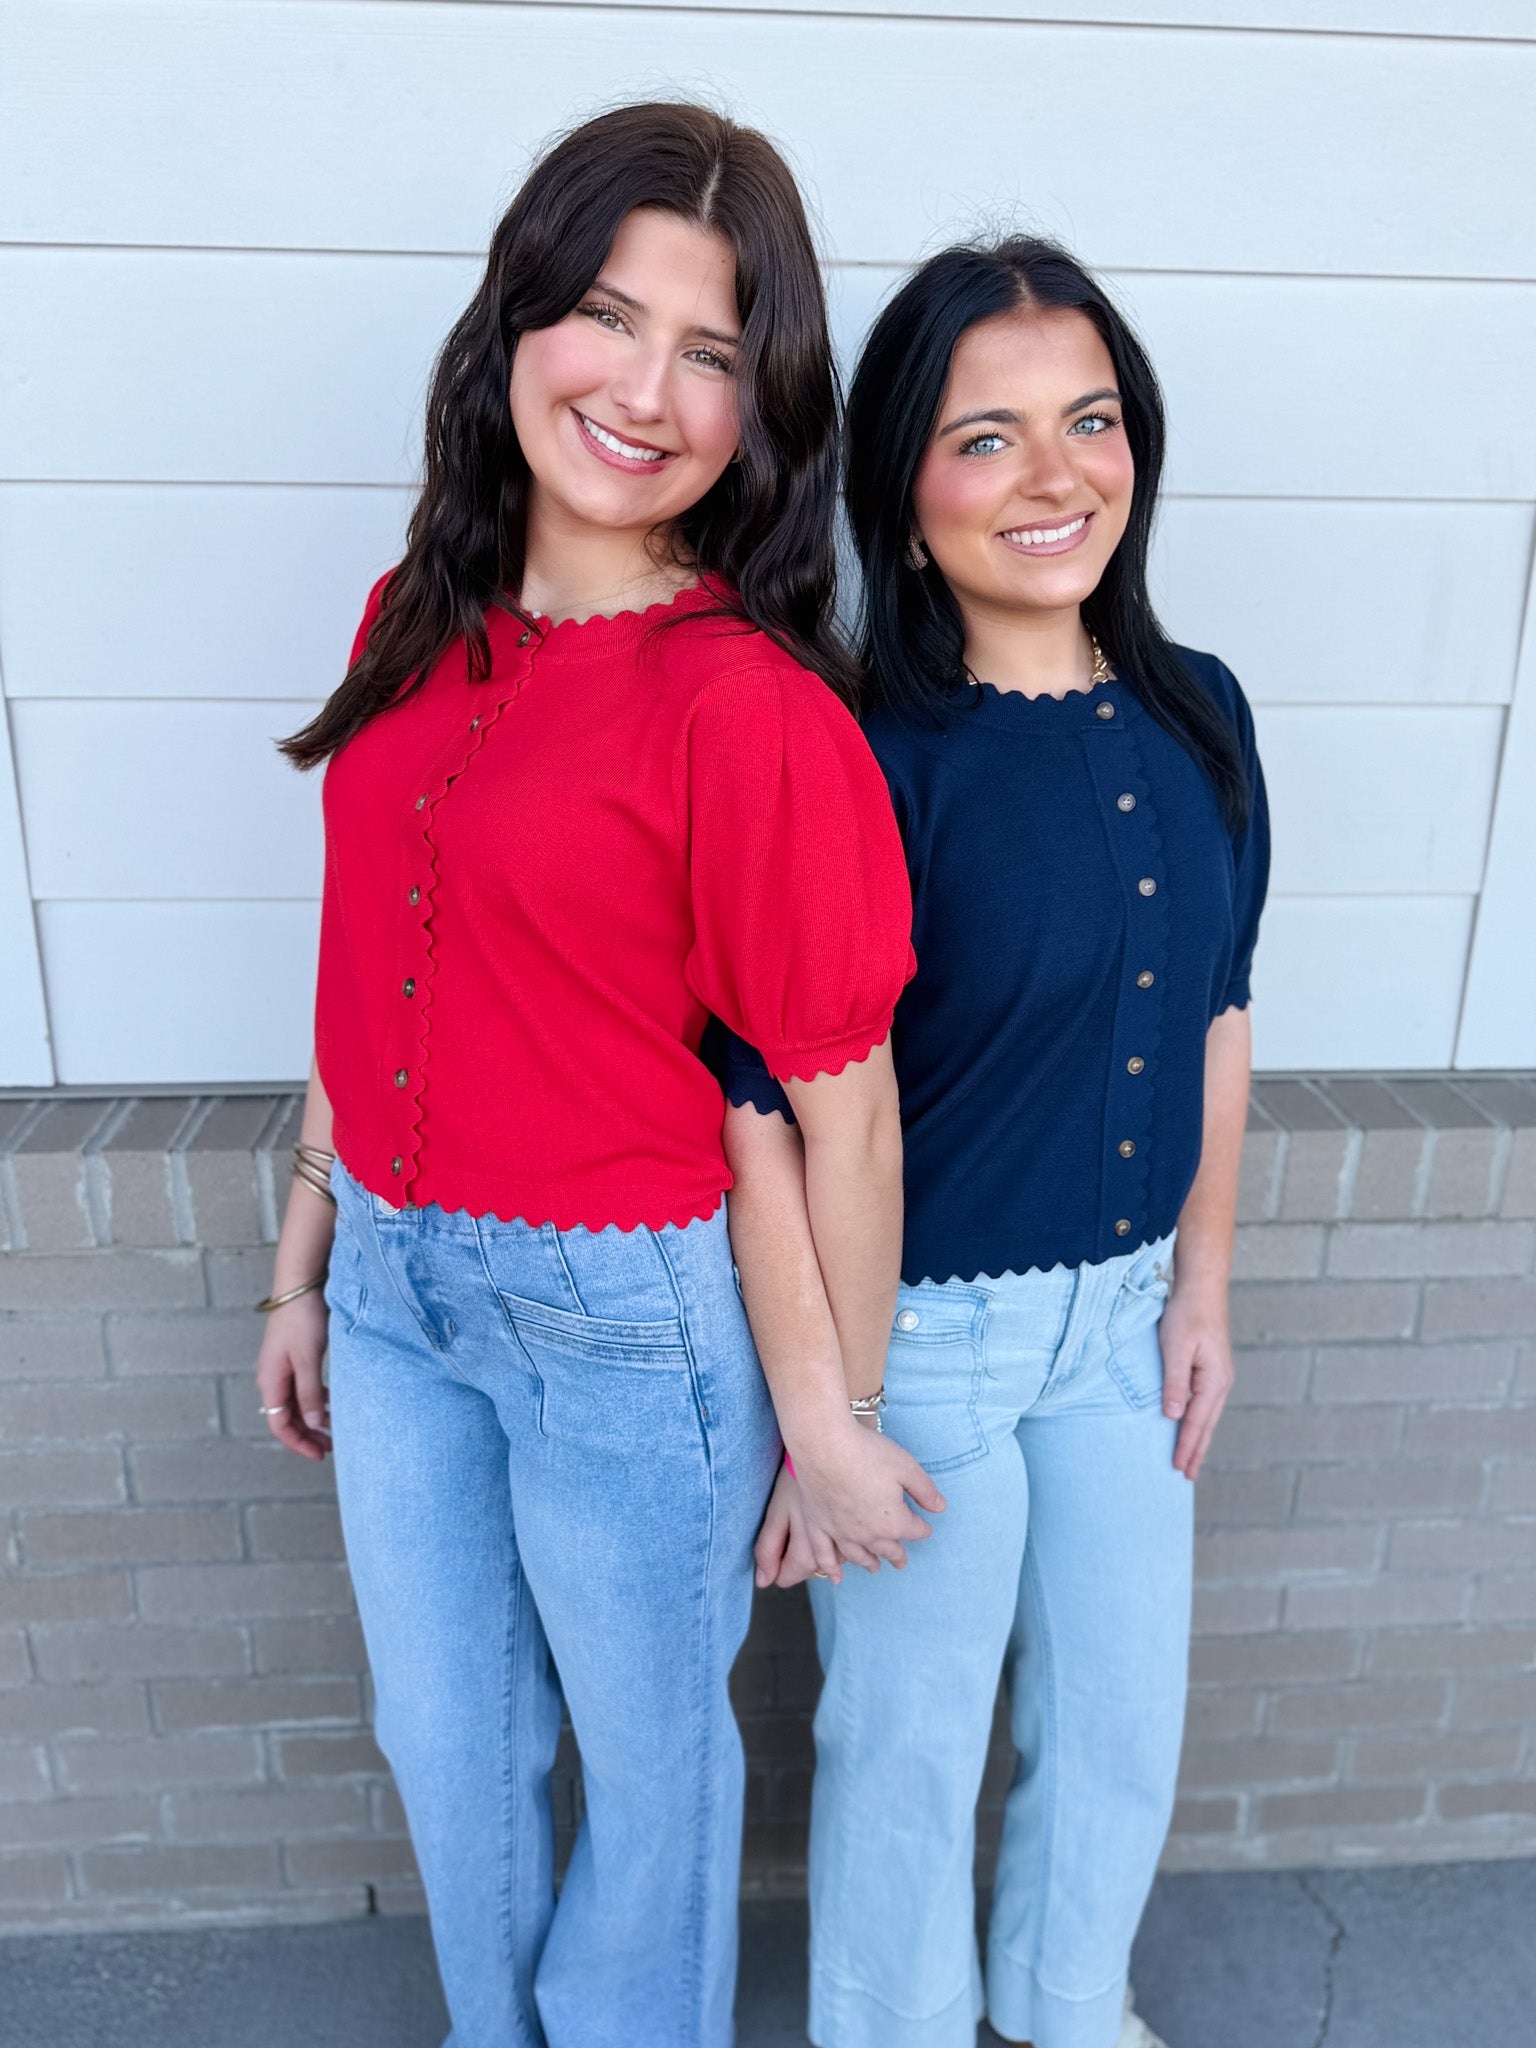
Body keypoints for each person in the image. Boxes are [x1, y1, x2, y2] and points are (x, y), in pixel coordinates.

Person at [254, 102, 939, 2048]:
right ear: (518, 321)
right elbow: (365, 974)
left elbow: (848, 1112)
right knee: (447, 1738)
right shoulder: (412, 616)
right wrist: (305, 1264)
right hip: (394, 1294)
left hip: (626, 1326)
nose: (644, 392)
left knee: (653, 1780)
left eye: (710, 353)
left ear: (760, 410)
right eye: (609, 318)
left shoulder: (751, 711)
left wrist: (835, 1416)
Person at [721, 236, 1270, 2048]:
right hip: (929, 1344)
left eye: (1091, 421)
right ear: (901, 484)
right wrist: (828, 1419)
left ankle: (1066, 2008)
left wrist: (1202, 1289)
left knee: (1120, 1718)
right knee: (907, 1741)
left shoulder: (1203, 712)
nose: (1057, 477)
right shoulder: (860, 755)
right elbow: (762, 1116)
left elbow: (1219, 1015)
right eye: (987, 437)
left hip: (1122, 1333)